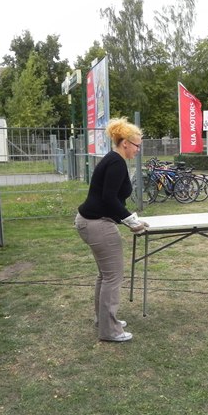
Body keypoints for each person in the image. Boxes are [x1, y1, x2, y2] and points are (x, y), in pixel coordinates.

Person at [74, 117, 148, 342]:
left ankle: (103, 320)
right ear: (125, 143)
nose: (138, 150)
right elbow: (108, 198)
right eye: (136, 145)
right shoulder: (116, 162)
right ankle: (109, 331)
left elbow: (111, 199)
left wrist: (128, 219)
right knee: (113, 277)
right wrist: (131, 221)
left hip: (91, 221)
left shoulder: (113, 159)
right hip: (97, 224)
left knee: (105, 276)